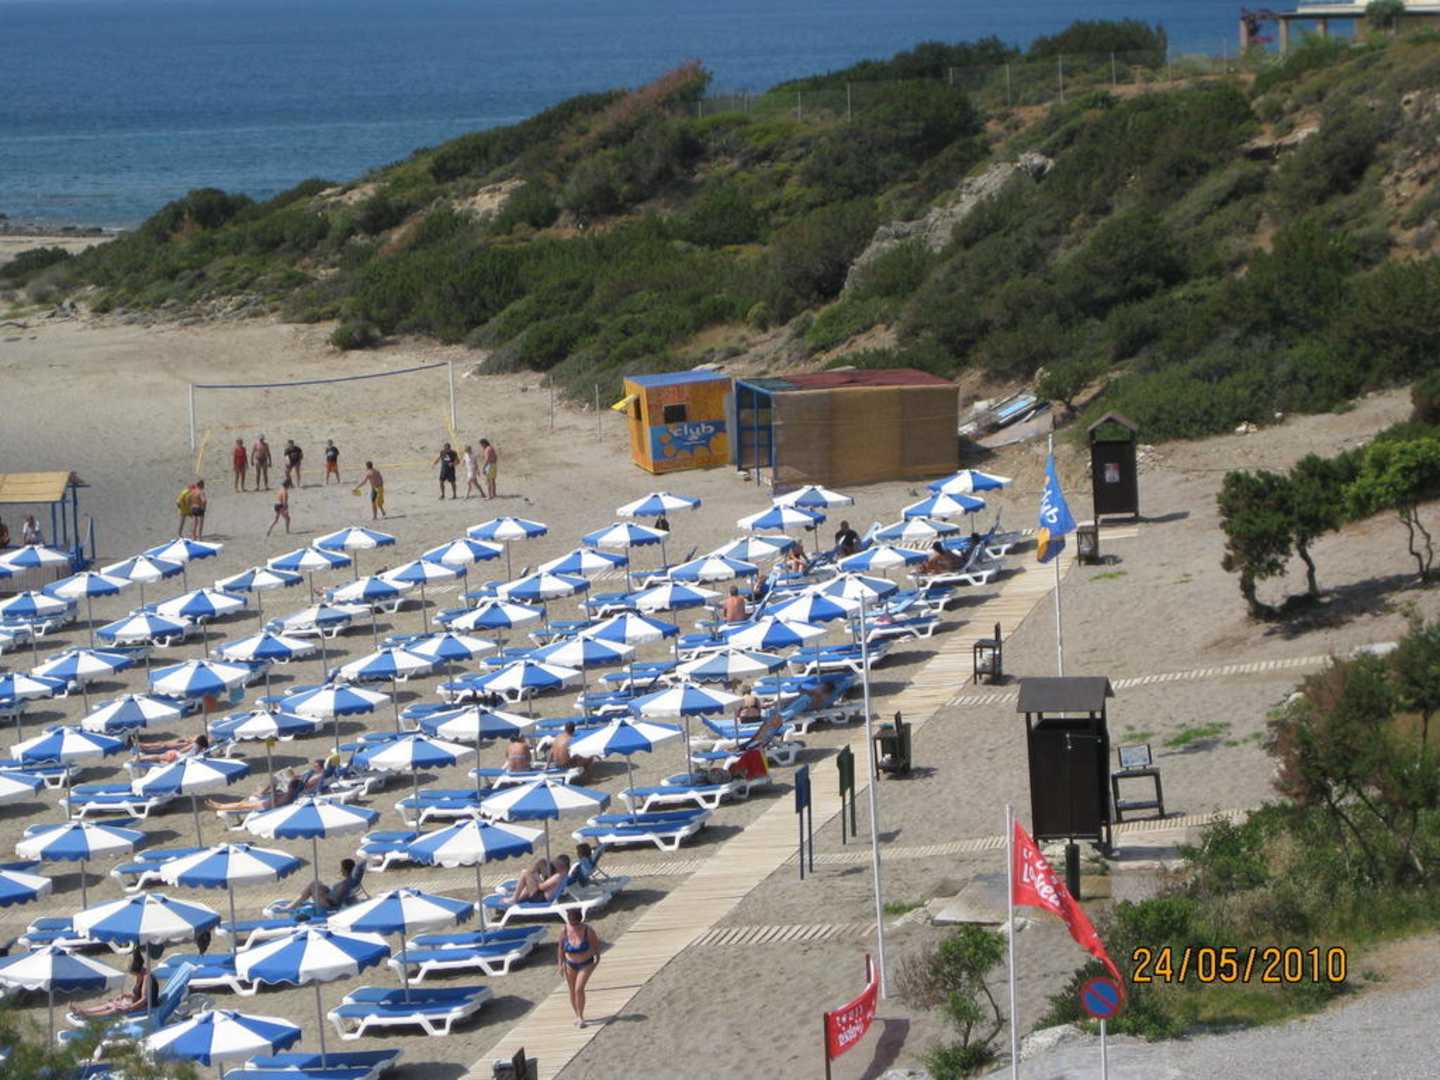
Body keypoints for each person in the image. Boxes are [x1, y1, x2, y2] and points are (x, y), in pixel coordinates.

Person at [72, 950, 152, 1019]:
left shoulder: (146, 977)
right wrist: (124, 995)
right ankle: (84, 1011)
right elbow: (137, 994)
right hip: (136, 1003)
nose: (132, 974)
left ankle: (88, 1016)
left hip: (145, 1007)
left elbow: (144, 999)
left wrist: (129, 1007)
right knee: (111, 1004)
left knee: (115, 1009)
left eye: (132, 972)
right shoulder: (140, 974)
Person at [557, 907, 601, 1029]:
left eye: (576, 923)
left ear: (580, 920)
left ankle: (581, 1017)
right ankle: (577, 1015)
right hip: (570, 964)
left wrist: (597, 960)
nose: (574, 926)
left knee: (578, 989)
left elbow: (596, 946)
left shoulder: (588, 930)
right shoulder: (564, 930)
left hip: (586, 963)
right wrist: (560, 964)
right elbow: (560, 948)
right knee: (572, 990)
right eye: (572, 923)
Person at [208, 772, 302, 813]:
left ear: (291, 787)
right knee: (242, 804)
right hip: (265, 803)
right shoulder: (291, 794)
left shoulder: (287, 797)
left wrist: (273, 788)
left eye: (289, 784)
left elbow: (275, 803)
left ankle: (220, 807)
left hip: (264, 807)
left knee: (241, 805)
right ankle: (221, 806)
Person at [291, 857, 362, 912]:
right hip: (331, 899)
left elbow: (335, 900)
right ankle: (294, 905)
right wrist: (327, 890)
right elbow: (339, 895)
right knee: (317, 883)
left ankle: (291, 907)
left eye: (342, 868)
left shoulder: (345, 884)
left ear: (345, 870)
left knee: (313, 884)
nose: (340, 870)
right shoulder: (351, 881)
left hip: (329, 906)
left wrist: (326, 894)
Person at [135, 732, 209, 764]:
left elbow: (181, 751)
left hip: (175, 756)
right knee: (158, 756)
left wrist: (180, 748)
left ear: (197, 741)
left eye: (195, 737)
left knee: (157, 756)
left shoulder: (193, 745)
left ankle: (140, 758)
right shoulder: (200, 751)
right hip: (178, 761)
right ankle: (143, 752)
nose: (194, 737)